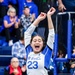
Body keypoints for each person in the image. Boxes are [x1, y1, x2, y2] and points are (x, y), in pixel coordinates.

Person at [25, 7, 55, 75]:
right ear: (31, 43)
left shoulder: (46, 54)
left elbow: (51, 35)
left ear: (42, 44)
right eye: (35, 41)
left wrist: (49, 16)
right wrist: (38, 19)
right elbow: (27, 33)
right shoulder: (29, 51)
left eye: (39, 40)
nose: (37, 42)